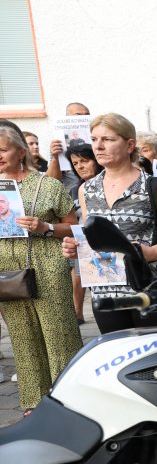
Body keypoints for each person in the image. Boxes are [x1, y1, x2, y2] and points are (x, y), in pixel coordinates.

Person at [60, 113, 157, 333]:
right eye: (94, 139)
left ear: (130, 145)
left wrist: (151, 253)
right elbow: (91, 237)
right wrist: (76, 247)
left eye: (108, 140)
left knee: (153, 359)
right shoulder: (86, 189)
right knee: (119, 357)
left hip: (148, 292)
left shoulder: (153, 186)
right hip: (105, 294)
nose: (98, 146)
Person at [0, 125, 81, 410]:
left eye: (3, 149)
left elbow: (73, 227)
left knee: (59, 334)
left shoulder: (48, 185)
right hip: (6, 272)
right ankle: (34, 404)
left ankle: (70, 400)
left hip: (47, 267)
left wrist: (44, 227)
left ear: (21, 152)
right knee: (22, 338)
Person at [65, 140, 101, 322]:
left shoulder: (107, 184)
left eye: (84, 161)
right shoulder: (74, 190)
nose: (80, 166)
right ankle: (77, 313)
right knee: (92, 289)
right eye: (75, 163)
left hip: (109, 246)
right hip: (85, 245)